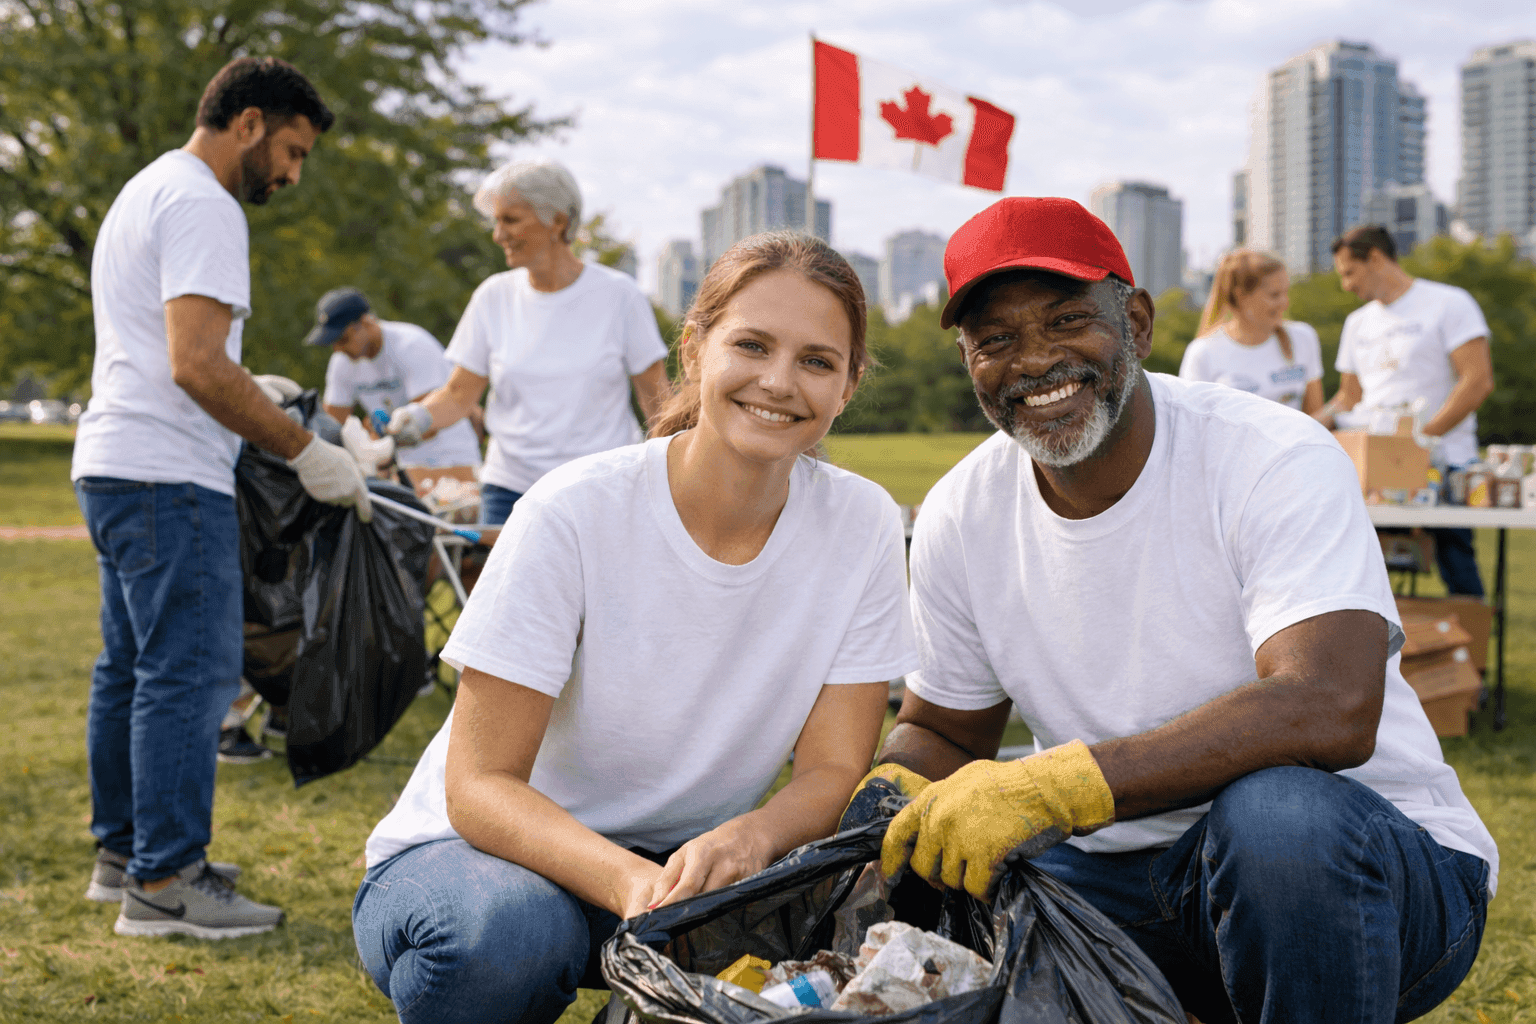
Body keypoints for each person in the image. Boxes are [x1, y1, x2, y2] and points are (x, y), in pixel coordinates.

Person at [854, 198, 1496, 1024]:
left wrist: (1061, 783)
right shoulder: (958, 512)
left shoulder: (1274, 455)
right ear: (968, 362)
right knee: (933, 856)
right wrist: (894, 789)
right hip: (1109, 884)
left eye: (1066, 320)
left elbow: (1329, 707)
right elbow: (946, 730)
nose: (1036, 361)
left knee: (1276, 818)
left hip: (1367, 877)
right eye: (996, 340)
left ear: (1139, 323)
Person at [353, 232, 917, 1024]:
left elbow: (830, 769)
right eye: (751, 345)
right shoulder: (575, 510)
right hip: (481, 859)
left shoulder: (860, 523)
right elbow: (479, 787)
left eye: (817, 361)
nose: (779, 382)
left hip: (688, 867)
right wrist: (633, 887)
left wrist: (752, 838)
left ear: (850, 383)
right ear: (694, 350)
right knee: (506, 935)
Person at [71, 57, 371, 940]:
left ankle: (123, 856)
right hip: (169, 476)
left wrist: (254, 390)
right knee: (190, 674)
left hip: (115, 463)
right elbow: (195, 362)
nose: (291, 173)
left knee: (127, 668)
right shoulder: (205, 202)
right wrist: (307, 449)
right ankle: (167, 885)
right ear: (247, 123)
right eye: (290, 150)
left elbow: (182, 350)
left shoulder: (147, 188)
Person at [386, 160, 670, 524]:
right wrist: (415, 418)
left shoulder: (619, 296)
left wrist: (675, 477)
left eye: (511, 220)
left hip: (601, 487)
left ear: (558, 222)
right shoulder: (493, 296)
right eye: (496, 221)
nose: (497, 234)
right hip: (510, 490)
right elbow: (458, 395)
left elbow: (657, 400)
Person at [1318, 224, 1495, 596]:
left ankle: (1468, 649)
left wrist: (1420, 441)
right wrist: (1305, 426)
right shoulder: (1357, 323)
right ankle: (1384, 650)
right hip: (1373, 471)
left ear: (1377, 259)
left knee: (1456, 563)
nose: (1345, 285)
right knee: (1363, 570)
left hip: (1444, 462)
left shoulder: (1449, 302)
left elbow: (1476, 381)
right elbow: (1348, 398)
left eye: (1350, 272)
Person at [308, 286, 484, 469]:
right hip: (404, 465)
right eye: (333, 343)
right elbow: (334, 425)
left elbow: (429, 423)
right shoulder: (342, 362)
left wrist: (374, 443)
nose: (338, 349)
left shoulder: (411, 346)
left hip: (451, 458)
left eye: (343, 339)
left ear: (366, 321)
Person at [1178, 249, 1323, 413]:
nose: (1285, 303)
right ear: (1241, 297)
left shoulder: (1303, 337)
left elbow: (1315, 416)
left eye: (1285, 292)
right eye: (1274, 295)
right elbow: (1192, 424)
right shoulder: (1202, 352)